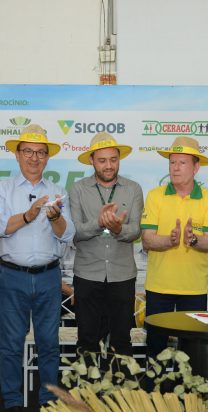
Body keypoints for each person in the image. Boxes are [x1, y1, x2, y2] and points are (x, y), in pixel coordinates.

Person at [0, 124, 74, 412]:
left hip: (49, 276)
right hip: (13, 276)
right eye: (28, 152)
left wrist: (56, 217)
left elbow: (68, 235)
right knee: (11, 342)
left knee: (49, 342)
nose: (34, 158)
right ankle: (12, 401)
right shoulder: (2, 189)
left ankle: (49, 402)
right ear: (18, 155)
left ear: (47, 158)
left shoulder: (58, 193)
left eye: (40, 153)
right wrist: (28, 215)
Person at [140, 136, 208, 360]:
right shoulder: (155, 196)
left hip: (193, 290)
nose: (175, 168)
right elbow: (147, 239)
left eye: (182, 163)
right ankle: (155, 394)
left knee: (192, 354)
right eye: (172, 162)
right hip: (159, 287)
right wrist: (170, 240)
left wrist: (193, 240)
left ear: (196, 167)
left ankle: (189, 396)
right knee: (156, 351)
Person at [70, 132, 143, 358]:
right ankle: (86, 392)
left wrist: (119, 229)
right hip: (87, 274)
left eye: (113, 159)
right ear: (92, 160)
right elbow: (74, 232)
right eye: (102, 160)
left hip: (122, 275)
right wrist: (98, 223)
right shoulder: (78, 189)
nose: (108, 165)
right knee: (87, 339)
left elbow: (136, 230)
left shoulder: (133, 189)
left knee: (121, 340)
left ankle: (122, 391)